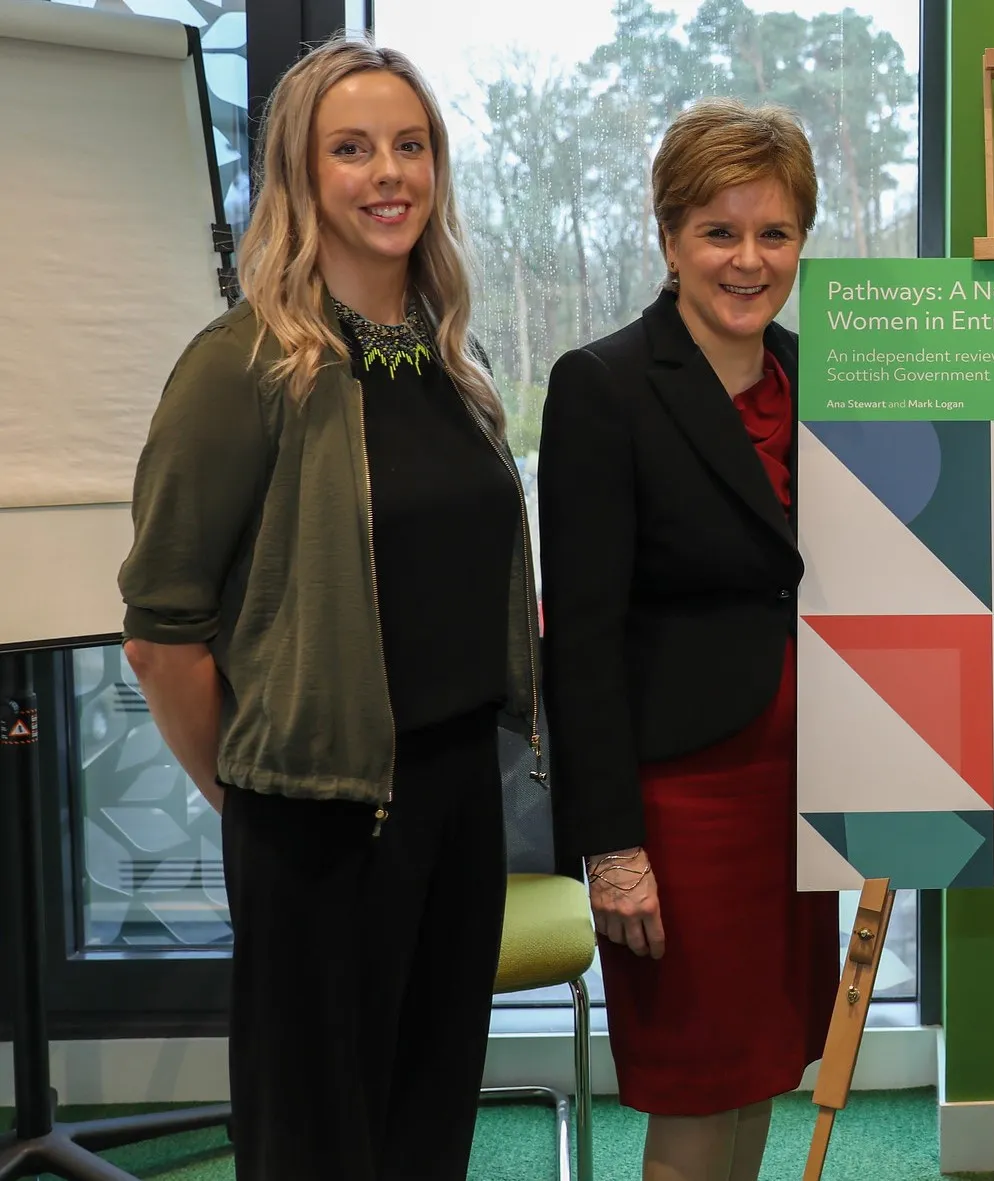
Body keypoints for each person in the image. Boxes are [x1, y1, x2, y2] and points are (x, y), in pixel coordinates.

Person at [117, 37, 539, 1181]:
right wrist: (251, 790)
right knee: (317, 1141)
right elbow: (161, 635)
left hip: (457, 797)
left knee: (428, 1113)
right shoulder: (242, 364)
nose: (387, 173)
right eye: (350, 149)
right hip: (318, 813)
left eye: (410, 146)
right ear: (301, 177)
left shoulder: (456, 362)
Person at [537, 98, 837, 1181]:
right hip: (684, 804)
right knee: (694, 1094)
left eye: (774, 233)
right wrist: (611, 848)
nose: (747, 260)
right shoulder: (603, 386)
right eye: (719, 231)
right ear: (668, 238)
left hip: (802, 792)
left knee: (763, 1070)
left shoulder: (830, 382)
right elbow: (577, 639)